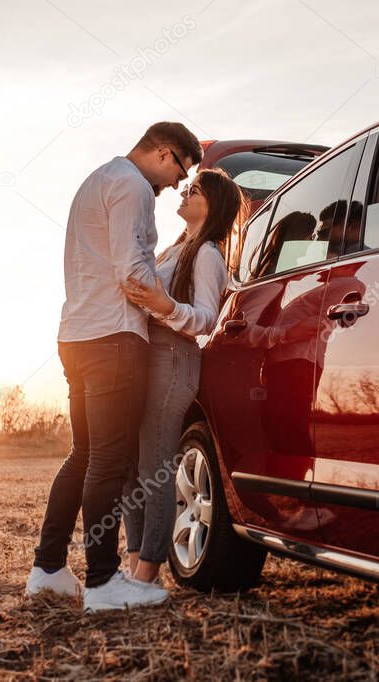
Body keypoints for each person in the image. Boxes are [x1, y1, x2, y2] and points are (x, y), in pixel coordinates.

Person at [25, 122, 202, 614]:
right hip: (115, 337)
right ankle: (103, 584)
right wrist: (172, 309)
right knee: (109, 459)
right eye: (179, 171)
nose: (172, 187)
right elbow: (132, 273)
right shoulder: (133, 186)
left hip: (76, 335)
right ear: (164, 152)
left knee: (82, 455)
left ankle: (48, 569)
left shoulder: (97, 179)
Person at [119, 168, 247, 585]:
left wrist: (163, 304)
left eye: (195, 190)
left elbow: (208, 321)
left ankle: (148, 571)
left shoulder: (208, 253)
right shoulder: (175, 249)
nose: (186, 192)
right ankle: (136, 557)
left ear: (212, 205)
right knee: (131, 465)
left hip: (174, 361)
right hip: (147, 358)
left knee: (156, 465)